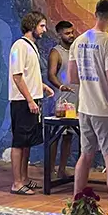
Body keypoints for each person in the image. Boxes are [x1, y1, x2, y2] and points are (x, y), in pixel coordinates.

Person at [68, 0, 108, 215]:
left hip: (84, 108)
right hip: (105, 110)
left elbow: (72, 77)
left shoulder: (79, 41)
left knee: (85, 155)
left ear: (95, 14)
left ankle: (76, 204)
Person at [9, 11, 54, 194]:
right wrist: (29, 100)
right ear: (32, 25)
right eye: (42, 26)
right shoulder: (18, 46)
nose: (44, 29)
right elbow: (17, 76)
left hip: (32, 100)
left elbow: (28, 75)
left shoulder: (31, 46)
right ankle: (16, 183)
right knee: (19, 142)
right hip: (22, 102)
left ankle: (25, 178)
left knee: (28, 142)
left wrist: (42, 86)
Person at [47, 20, 79, 179]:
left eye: (72, 32)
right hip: (61, 101)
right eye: (67, 33)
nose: (71, 35)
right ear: (59, 34)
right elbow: (51, 75)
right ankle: (51, 170)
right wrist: (60, 87)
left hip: (76, 99)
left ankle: (62, 169)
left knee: (69, 136)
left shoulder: (76, 51)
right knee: (56, 136)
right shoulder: (56, 52)